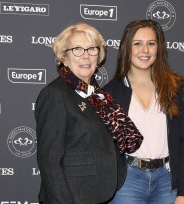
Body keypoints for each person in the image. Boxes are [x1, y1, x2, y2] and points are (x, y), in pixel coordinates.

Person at [35, 23, 143, 204]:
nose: (86, 56)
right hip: (71, 197)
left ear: (98, 56)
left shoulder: (99, 96)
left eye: (92, 49)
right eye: (77, 49)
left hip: (99, 194)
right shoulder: (55, 94)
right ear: (64, 56)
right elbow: (49, 160)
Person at [104, 19, 184, 204]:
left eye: (151, 43)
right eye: (137, 43)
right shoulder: (110, 94)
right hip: (126, 182)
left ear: (158, 48)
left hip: (167, 182)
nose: (144, 50)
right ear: (126, 48)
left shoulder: (174, 88)